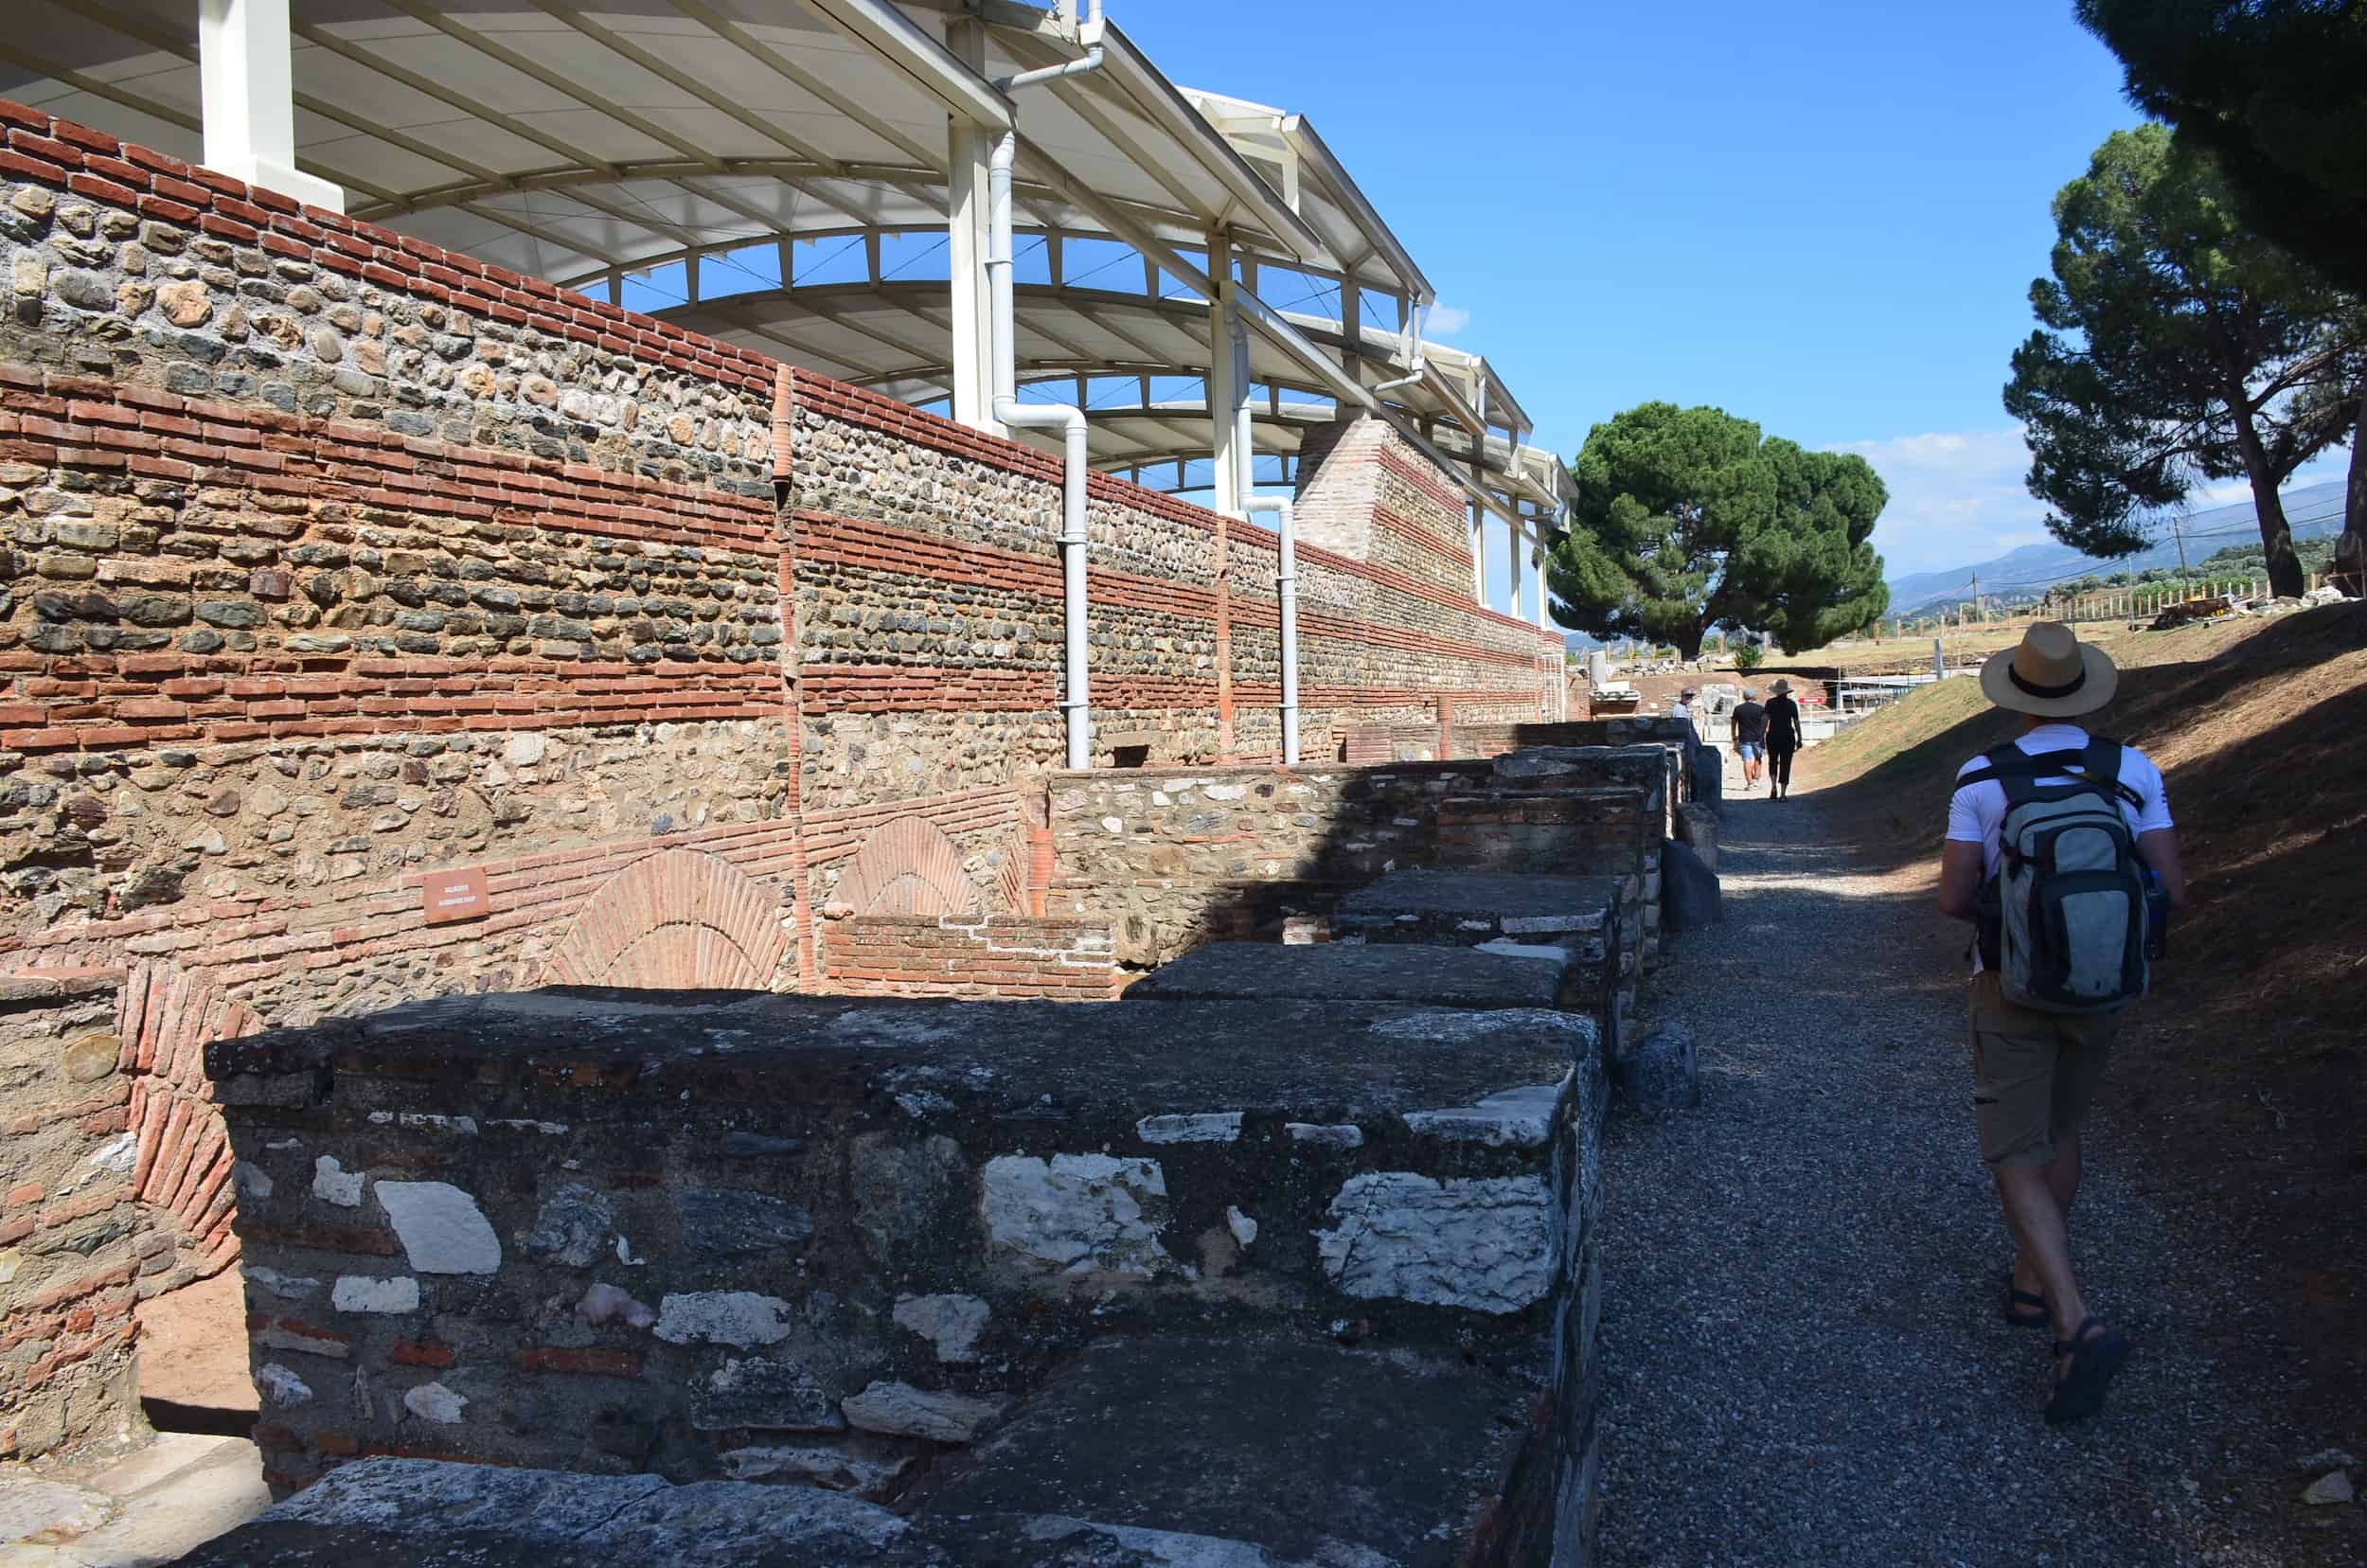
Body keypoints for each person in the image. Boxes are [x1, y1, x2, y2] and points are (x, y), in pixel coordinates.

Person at [1934, 622, 2186, 1426]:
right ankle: (2027, 1283)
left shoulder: (1983, 778)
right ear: (2085, 689)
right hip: (2104, 987)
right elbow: (2170, 886)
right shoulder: (2132, 769)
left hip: (2010, 985)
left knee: (2012, 1148)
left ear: (2016, 693)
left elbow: (1951, 898)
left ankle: (2075, 1319)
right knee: (2063, 1129)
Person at [1761, 679, 1802, 799]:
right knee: (1786, 763)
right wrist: (1800, 737)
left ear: (1776, 691)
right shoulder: (1792, 704)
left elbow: (1765, 719)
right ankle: (1783, 793)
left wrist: (1761, 735)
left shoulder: (1770, 703)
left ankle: (1773, 786)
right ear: (1787, 692)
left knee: (1772, 761)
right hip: (1788, 736)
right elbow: (1796, 722)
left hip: (1773, 735)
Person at [1730, 686, 1768, 791]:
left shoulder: (1738, 708)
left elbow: (1733, 723)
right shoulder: (1761, 708)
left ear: (1744, 697)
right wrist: (1764, 734)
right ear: (1754, 697)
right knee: (1758, 758)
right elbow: (1765, 723)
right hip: (1758, 738)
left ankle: (1749, 783)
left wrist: (1733, 735)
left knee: (1747, 760)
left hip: (1744, 737)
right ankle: (1756, 780)